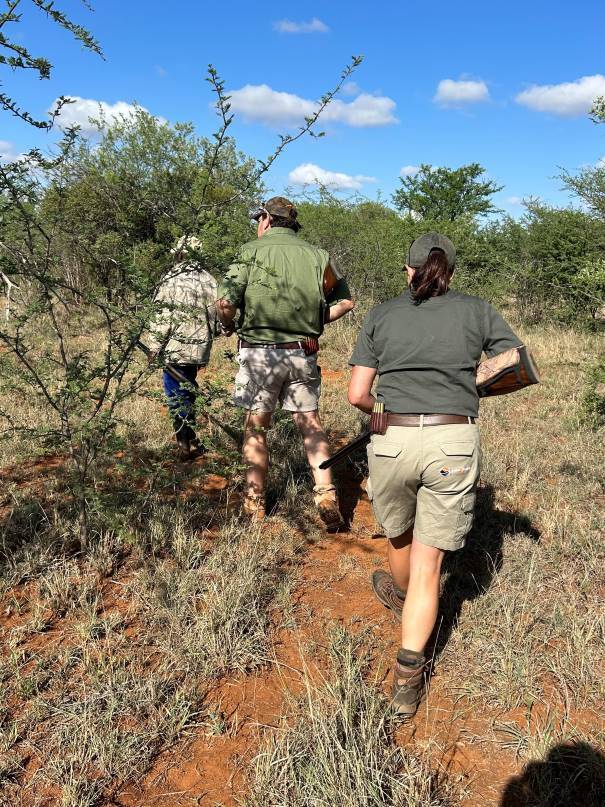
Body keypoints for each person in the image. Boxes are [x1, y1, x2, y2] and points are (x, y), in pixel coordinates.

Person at [347, 232, 523, 716]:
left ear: (408, 270)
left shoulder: (382, 314)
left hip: (392, 438)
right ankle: (407, 678)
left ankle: (401, 595)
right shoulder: (477, 310)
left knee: (398, 534)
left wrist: (384, 417)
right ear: (451, 271)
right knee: (431, 567)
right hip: (453, 438)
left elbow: (358, 394)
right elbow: (515, 361)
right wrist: (468, 388)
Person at [216, 196, 355, 526]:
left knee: (256, 426)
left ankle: (254, 502)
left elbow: (224, 302)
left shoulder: (250, 251)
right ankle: (325, 494)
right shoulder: (318, 256)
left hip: (260, 354)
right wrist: (315, 323)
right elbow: (346, 302)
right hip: (302, 352)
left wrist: (230, 325)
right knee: (310, 424)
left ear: (265, 219)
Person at [149, 235, 219, 460]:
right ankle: (191, 438)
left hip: (174, 348)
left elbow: (162, 316)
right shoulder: (209, 279)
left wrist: (153, 346)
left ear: (180, 253)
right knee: (187, 390)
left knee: (176, 396)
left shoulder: (172, 277)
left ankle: (184, 445)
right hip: (199, 349)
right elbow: (216, 315)